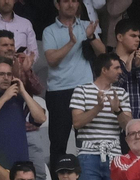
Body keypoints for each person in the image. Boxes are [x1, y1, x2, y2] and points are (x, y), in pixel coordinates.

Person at [68, 52, 131, 180]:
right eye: (116, 68)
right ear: (104, 69)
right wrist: (98, 108)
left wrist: (117, 111)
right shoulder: (81, 91)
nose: (120, 71)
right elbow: (77, 122)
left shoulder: (121, 93)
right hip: (88, 154)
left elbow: (128, 126)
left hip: (114, 156)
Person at [42, 0, 104, 163]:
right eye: (66, 1)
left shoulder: (86, 25)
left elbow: (103, 54)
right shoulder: (49, 31)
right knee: (58, 144)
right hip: (58, 91)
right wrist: (71, 42)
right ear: (57, 4)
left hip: (84, 90)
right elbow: (51, 59)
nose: (71, 4)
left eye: (75, 1)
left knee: (88, 143)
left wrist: (90, 36)